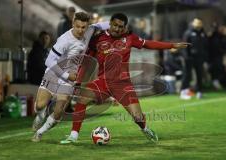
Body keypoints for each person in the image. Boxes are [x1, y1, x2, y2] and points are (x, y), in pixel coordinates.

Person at [60, 13, 189, 144]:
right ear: (110, 23)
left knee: (138, 117)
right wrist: (79, 80)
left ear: (124, 27)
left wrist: (171, 45)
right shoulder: (96, 39)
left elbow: (148, 44)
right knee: (83, 98)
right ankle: (73, 135)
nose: (117, 29)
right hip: (103, 82)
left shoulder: (129, 37)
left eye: (120, 27)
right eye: (115, 25)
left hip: (122, 84)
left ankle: (145, 129)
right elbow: (87, 62)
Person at [32, 12, 109, 142]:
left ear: (87, 26)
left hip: (68, 80)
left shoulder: (90, 30)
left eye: (83, 27)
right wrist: (67, 75)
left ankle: (39, 133)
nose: (80, 30)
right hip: (54, 72)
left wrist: (120, 29)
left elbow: (105, 25)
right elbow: (49, 61)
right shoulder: (64, 40)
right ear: (73, 24)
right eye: (77, 26)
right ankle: (40, 114)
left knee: (59, 111)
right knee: (40, 105)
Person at [180, 18, 208, 100]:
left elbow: (205, 45)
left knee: (200, 74)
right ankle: (183, 92)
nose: (198, 27)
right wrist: (186, 56)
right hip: (190, 57)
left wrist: (204, 56)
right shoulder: (188, 33)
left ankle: (200, 92)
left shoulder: (202, 33)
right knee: (187, 75)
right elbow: (184, 45)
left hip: (199, 57)